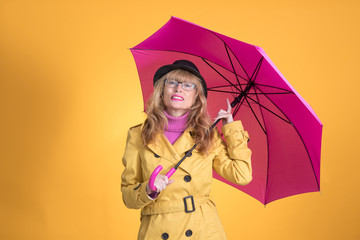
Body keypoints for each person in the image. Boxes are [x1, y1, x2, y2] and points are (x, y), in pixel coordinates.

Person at [121, 60, 252, 240]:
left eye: (188, 85)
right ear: (161, 90)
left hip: (202, 229)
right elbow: (128, 197)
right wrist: (148, 190)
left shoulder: (208, 135)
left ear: (197, 97)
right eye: (172, 82)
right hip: (157, 227)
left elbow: (242, 175)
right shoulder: (138, 134)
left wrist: (232, 129)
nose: (178, 89)